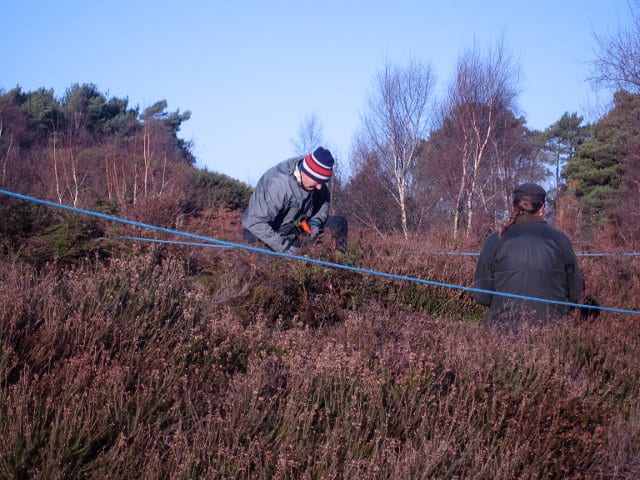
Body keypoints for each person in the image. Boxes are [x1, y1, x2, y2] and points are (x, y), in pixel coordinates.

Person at [473, 182, 584, 330]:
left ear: (514, 207)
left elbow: (482, 296)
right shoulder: (560, 239)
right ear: (542, 208)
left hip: (502, 335)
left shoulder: (496, 239)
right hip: (552, 335)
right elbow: (576, 293)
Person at [241, 146, 348, 254]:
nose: (320, 187)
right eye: (317, 181)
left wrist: (315, 222)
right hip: (260, 233)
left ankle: (339, 263)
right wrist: (284, 247)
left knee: (338, 223)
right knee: (276, 264)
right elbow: (255, 223)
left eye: (323, 182)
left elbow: (323, 201)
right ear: (306, 173)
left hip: (293, 228)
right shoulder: (278, 185)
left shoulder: (316, 178)